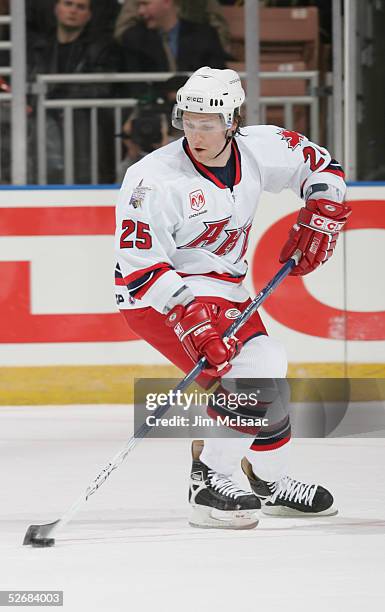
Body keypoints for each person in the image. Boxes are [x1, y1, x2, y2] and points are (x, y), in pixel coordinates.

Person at [114, 66, 351, 529]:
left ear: (232, 121)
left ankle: (270, 479)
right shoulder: (151, 178)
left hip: (224, 290)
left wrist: (321, 208)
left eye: (208, 123)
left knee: (266, 368)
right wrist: (186, 312)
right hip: (157, 295)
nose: (196, 133)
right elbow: (140, 262)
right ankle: (209, 478)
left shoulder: (261, 148)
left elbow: (322, 166)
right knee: (257, 367)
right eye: (188, 121)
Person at [27, 0, 121, 183]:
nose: (73, 11)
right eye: (68, 4)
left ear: (89, 15)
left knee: (85, 175)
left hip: (85, 126)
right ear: (56, 8)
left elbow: (102, 86)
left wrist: (56, 98)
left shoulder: (103, 47)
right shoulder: (38, 47)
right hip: (43, 125)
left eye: (80, 7)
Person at [118, 0, 227, 74]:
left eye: (146, 4)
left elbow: (218, 79)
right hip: (154, 106)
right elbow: (136, 86)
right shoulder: (134, 39)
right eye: (139, 5)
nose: (140, 11)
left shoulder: (204, 35)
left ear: (167, 1)